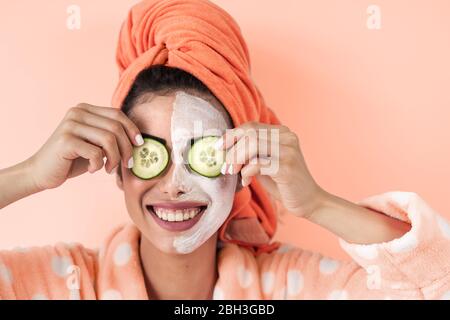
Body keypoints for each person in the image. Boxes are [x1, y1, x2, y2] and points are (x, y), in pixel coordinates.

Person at [0, 0, 449, 300]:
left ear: (240, 167)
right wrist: (28, 175)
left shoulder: (290, 289)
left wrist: (316, 202)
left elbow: (432, 285)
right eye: (149, 153)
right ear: (118, 168)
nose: (174, 185)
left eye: (203, 153)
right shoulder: (61, 284)